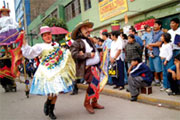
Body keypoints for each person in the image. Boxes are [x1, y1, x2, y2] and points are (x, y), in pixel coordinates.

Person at [21, 26, 75, 119]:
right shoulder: (39, 46)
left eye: (49, 34)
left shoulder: (57, 45)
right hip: (46, 72)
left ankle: (51, 110)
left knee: (56, 92)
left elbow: (62, 55)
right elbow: (29, 52)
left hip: (57, 71)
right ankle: (47, 104)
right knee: (51, 93)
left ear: (51, 34)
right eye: (45, 35)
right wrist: (23, 40)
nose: (47, 36)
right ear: (42, 37)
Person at [70, 21, 104, 114]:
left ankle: (94, 102)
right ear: (79, 31)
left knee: (97, 85)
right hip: (87, 68)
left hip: (96, 66)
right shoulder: (77, 42)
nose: (87, 31)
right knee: (92, 84)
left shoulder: (89, 40)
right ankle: (87, 103)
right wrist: (88, 55)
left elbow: (94, 51)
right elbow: (74, 54)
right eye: (84, 29)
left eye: (87, 28)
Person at [147, 20, 163, 86]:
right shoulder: (152, 33)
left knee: (159, 68)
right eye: (154, 24)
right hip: (151, 53)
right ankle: (156, 80)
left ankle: (162, 81)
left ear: (160, 26)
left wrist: (150, 45)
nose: (154, 26)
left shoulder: (161, 33)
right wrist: (148, 46)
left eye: (156, 24)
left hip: (157, 53)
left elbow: (159, 43)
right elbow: (147, 43)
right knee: (153, 68)